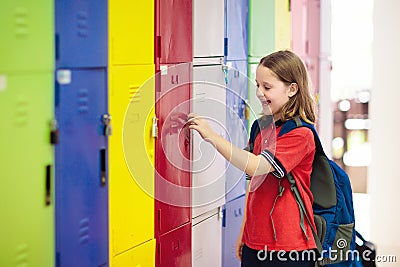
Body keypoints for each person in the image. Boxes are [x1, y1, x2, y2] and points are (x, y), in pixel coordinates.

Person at [188, 50, 318, 266]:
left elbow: (257, 166)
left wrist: (212, 136)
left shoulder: (301, 134)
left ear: (292, 89)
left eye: (267, 87)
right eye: (257, 85)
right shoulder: (261, 126)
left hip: (291, 247)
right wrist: (244, 232)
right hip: (255, 242)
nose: (259, 92)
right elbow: (253, 182)